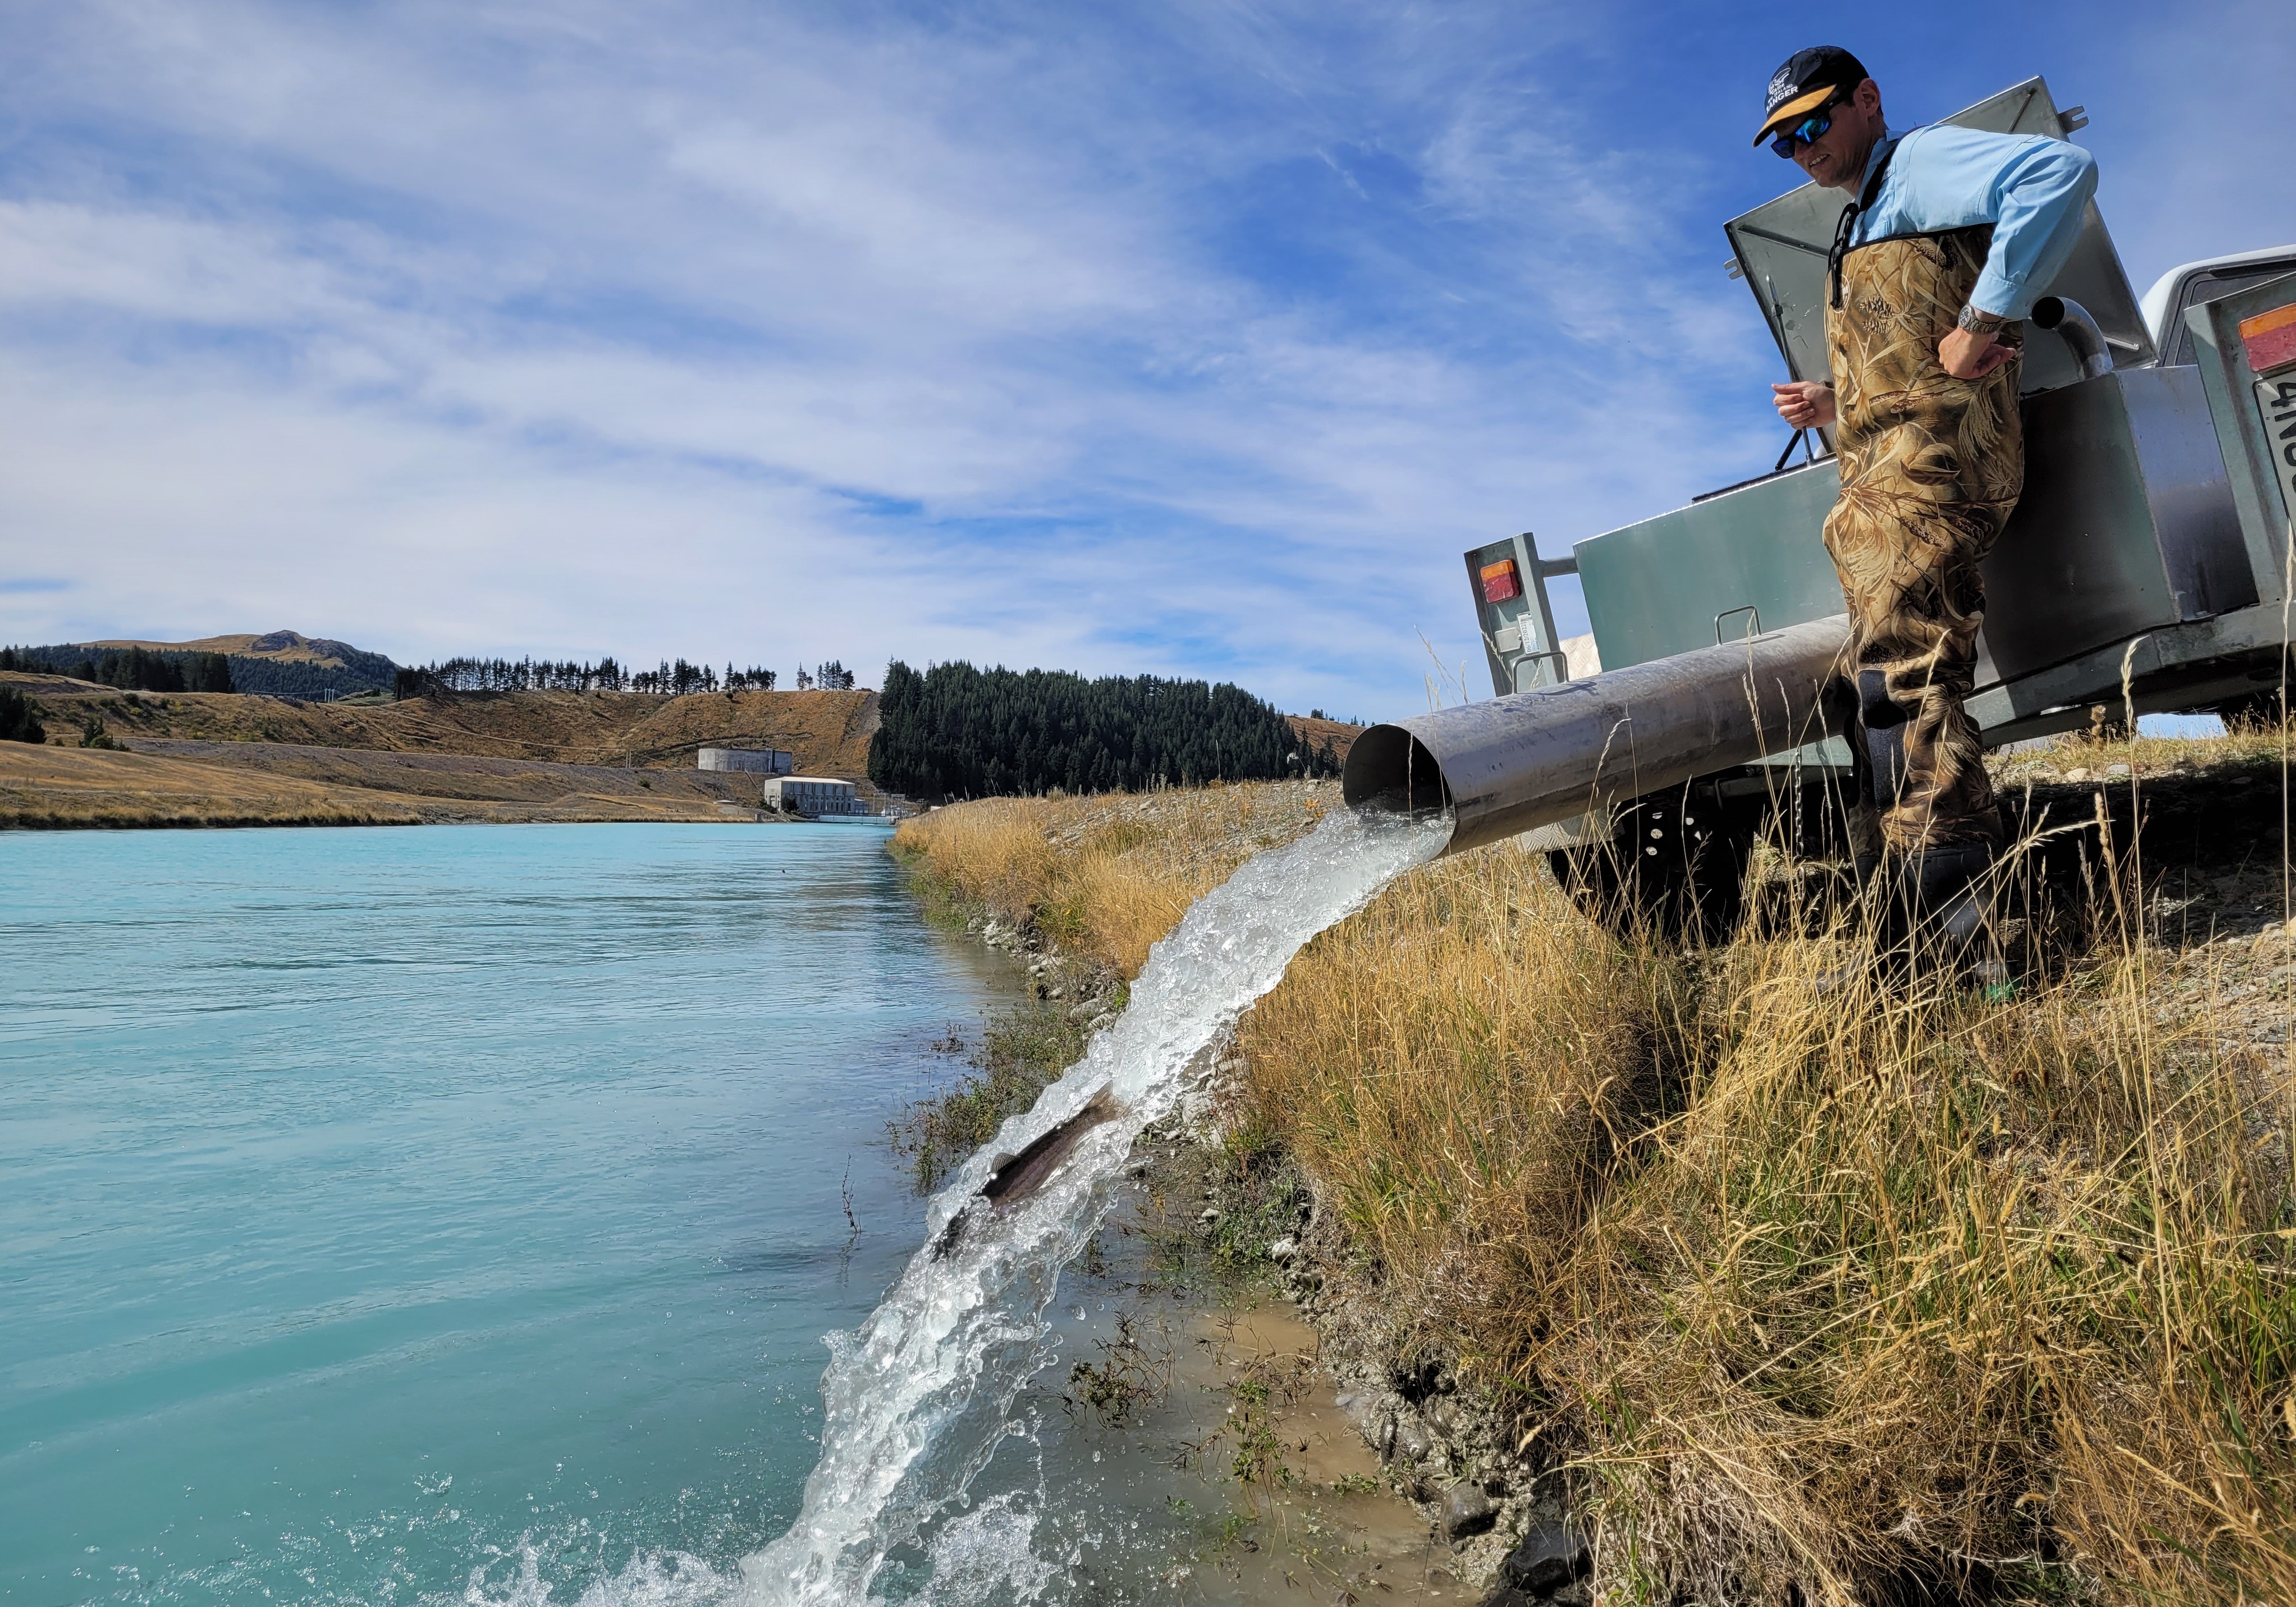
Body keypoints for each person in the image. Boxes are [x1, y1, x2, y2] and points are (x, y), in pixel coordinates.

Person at [1753, 46, 2096, 969]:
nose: (1804, 149)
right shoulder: (1864, 213)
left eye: (1816, 123)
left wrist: (1983, 321)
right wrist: (1836, 403)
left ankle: (1956, 933)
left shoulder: (1920, 165)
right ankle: (1940, 924)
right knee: (1884, 691)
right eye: (1785, 142)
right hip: (1881, 486)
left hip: (1931, 478)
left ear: (1867, 101)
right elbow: (1907, 359)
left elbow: (2058, 172)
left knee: (1909, 681)